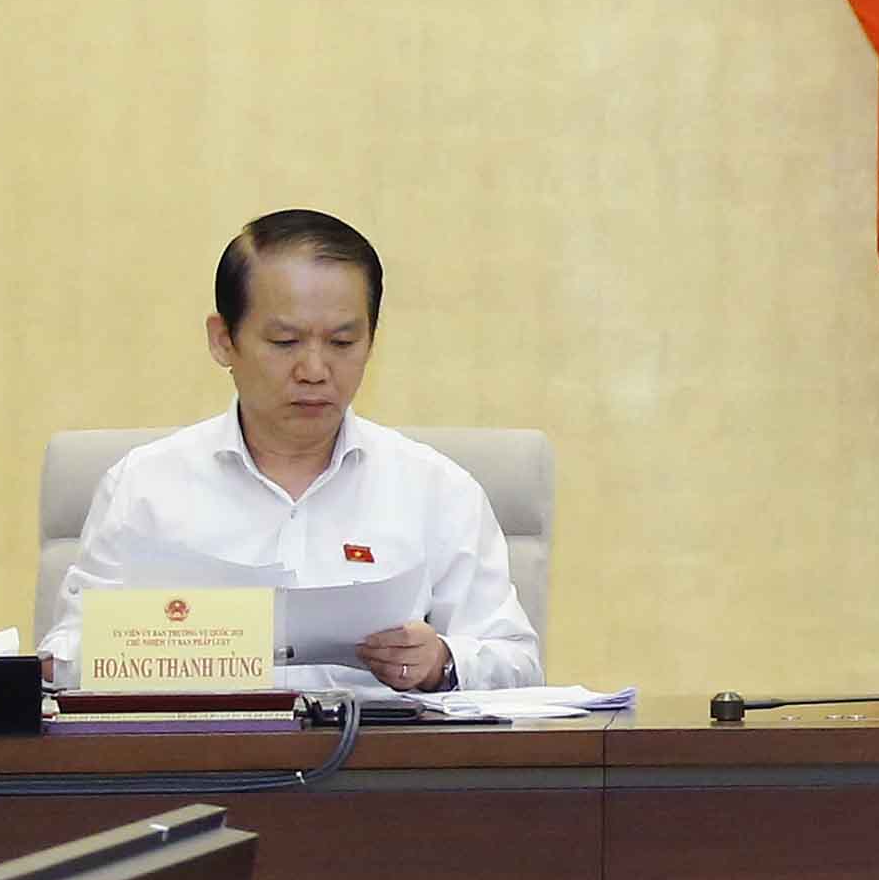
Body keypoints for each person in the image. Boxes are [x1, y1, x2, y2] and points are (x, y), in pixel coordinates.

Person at [46, 211, 542, 694]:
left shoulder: (436, 489)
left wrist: (440, 663)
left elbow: (517, 664)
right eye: (285, 342)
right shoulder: (144, 485)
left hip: (376, 746)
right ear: (223, 341)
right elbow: (68, 657)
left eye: (343, 342)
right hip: (205, 746)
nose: (314, 370)